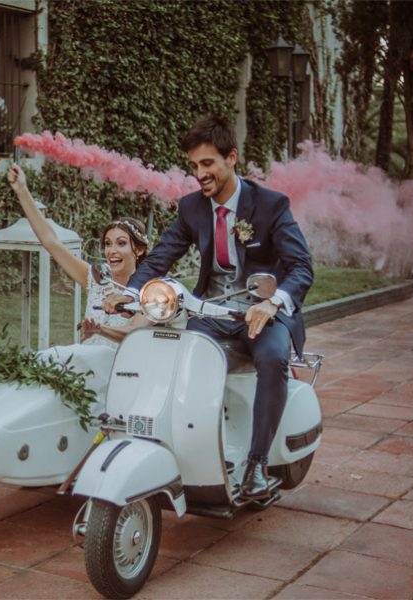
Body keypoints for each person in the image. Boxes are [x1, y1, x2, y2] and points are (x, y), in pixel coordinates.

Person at [103, 116, 313, 499]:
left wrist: (272, 303)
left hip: (261, 316)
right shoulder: (192, 208)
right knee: (175, 354)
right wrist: (130, 293)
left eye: (207, 163)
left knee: (273, 359)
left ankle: (257, 463)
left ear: (231, 158)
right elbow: (160, 257)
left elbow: (301, 267)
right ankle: (188, 450)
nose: (199, 174)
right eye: (193, 166)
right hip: (212, 314)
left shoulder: (270, 205)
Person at [6, 163, 150, 350]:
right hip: (85, 362)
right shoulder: (96, 278)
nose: (111, 250)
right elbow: (51, 242)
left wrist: (99, 330)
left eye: (121, 243)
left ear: (139, 250)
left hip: (121, 366)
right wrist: (22, 190)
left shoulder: (151, 291)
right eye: (108, 244)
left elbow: (133, 331)